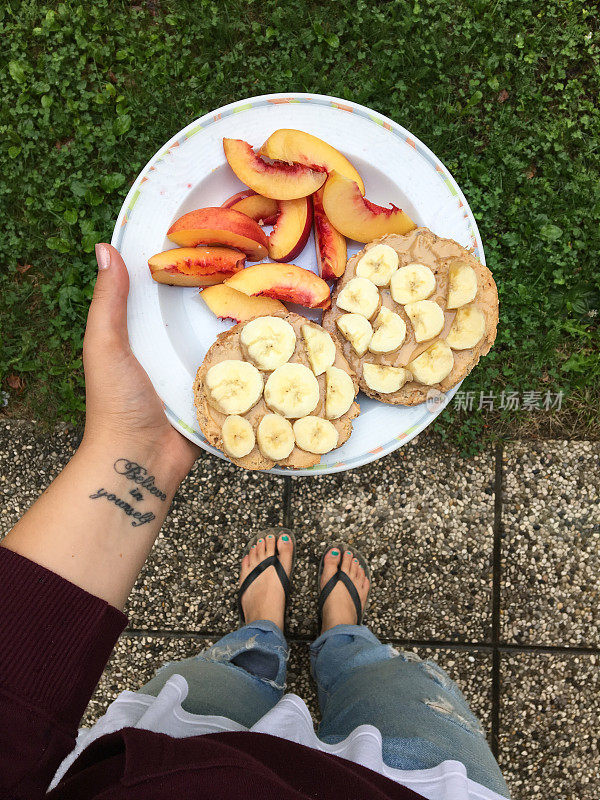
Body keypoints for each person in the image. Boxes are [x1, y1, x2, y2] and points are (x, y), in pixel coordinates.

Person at [0, 244, 510, 800]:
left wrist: (137, 449)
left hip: (175, 746)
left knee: (233, 671)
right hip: (413, 782)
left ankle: (261, 632)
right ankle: (345, 640)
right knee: (389, 684)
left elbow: (14, 706)